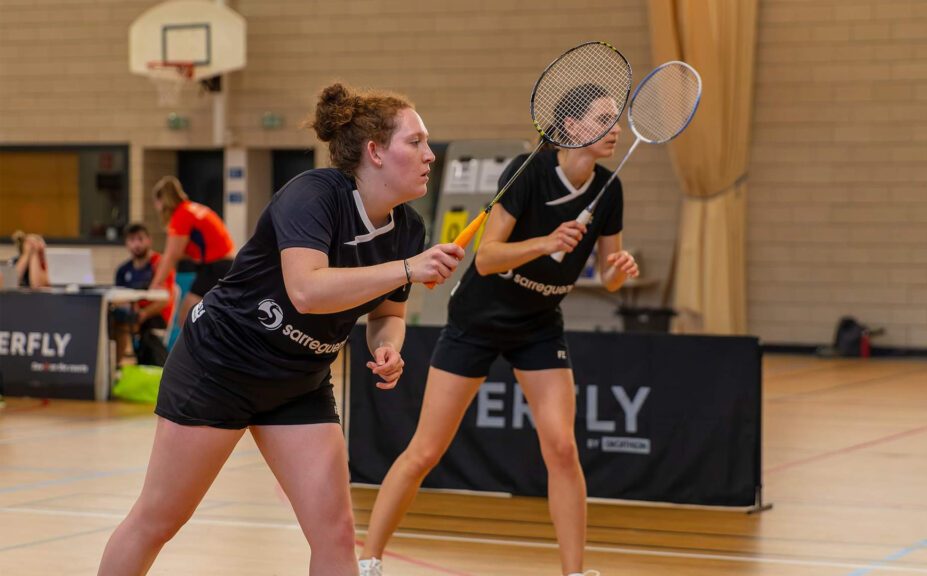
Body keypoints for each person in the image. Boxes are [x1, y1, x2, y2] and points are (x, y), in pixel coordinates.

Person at [97, 82, 464, 576]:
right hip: (220, 366)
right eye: (415, 142)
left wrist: (387, 348)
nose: (429, 155)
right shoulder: (314, 195)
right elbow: (307, 290)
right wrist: (406, 270)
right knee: (159, 519)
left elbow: (386, 317)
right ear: (375, 152)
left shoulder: (408, 230)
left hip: (300, 381)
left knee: (334, 533)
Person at [359, 84, 639, 576]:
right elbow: (486, 259)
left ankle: (575, 572)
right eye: (603, 118)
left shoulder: (608, 189)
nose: (615, 127)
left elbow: (609, 276)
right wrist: (546, 241)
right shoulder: (527, 173)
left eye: (616, 119)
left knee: (562, 446)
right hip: (479, 320)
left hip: (540, 324)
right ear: (571, 127)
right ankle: (368, 559)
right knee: (425, 450)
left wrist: (620, 268)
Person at [147, 175, 235, 327]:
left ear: (162, 201)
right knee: (205, 316)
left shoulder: (181, 215)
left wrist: (155, 285)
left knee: (187, 316)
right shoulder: (192, 209)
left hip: (216, 267)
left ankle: (192, 350)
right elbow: (184, 251)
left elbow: (171, 255)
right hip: (224, 264)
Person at [111, 223, 175, 366]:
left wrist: (143, 313)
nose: (137, 244)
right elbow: (118, 297)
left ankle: (115, 365)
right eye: (132, 240)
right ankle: (112, 368)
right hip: (132, 314)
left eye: (140, 239)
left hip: (154, 316)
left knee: (120, 325)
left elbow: (165, 299)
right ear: (126, 243)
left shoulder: (159, 264)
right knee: (109, 321)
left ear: (149, 240)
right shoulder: (122, 270)